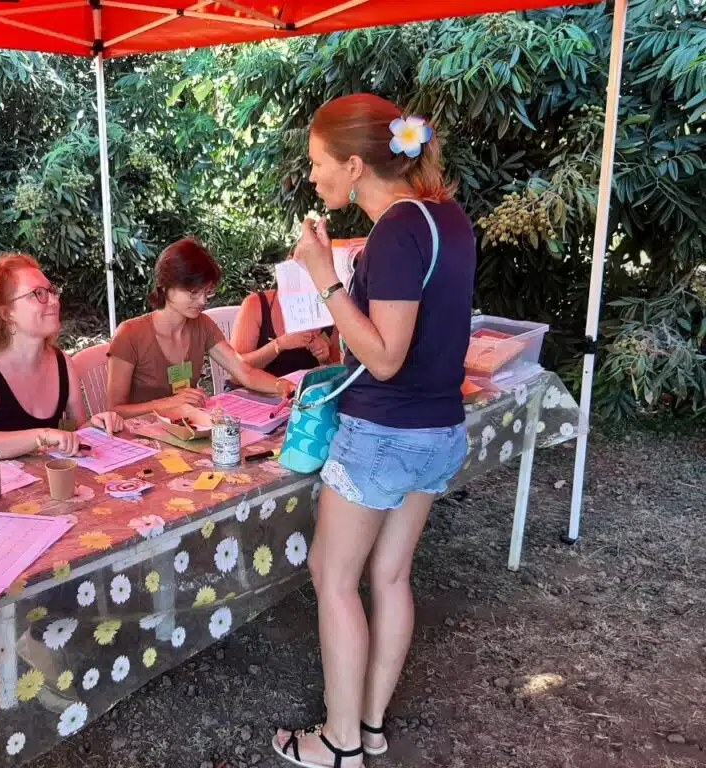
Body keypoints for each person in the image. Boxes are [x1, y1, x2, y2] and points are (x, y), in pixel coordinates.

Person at [272, 94, 475, 768]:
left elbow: (384, 359)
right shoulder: (446, 217)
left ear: (355, 166)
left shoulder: (394, 233)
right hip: (439, 429)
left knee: (332, 577)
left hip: (383, 434)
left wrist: (325, 279)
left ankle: (339, 744)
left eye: (318, 162)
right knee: (389, 576)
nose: (312, 175)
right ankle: (371, 725)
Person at [0, 253, 123, 459]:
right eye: (38, 294)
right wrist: (42, 436)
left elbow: (73, 428)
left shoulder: (62, 362)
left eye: (51, 291)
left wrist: (95, 425)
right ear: (6, 314)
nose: (54, 301)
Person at [106, 237, 296, 418]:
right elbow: (115, 410)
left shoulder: (202, 325)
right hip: (138, 435)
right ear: (164, 287)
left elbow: (244, 372)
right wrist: (170, 403)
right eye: (193, 292)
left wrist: (283, 386)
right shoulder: (130, 334)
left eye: (207, 292)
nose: (202, 301)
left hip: (187, 428)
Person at [229, 250, 341, 380]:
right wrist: (278, 345)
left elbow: (339, 373)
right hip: (257, 389)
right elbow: (235, 372)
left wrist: (324, 358)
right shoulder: (256, 304)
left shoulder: (331, 310)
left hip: (304, 390)